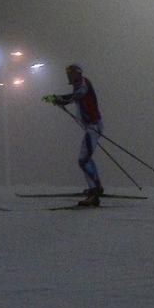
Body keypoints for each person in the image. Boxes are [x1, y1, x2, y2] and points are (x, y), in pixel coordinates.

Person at [43, 63, 104, 205]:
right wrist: (56, 98)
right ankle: (96, 187)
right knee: (86, 158)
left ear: (78, 73)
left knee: (83, 160)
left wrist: (59, 99)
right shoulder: (78, 84)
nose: (69, 76)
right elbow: (73, 97)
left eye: (71, 74)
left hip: (93, 127)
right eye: (68, 74)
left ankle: (94, 193)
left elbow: (77, 95)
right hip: (91, 126)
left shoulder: (83, 83)